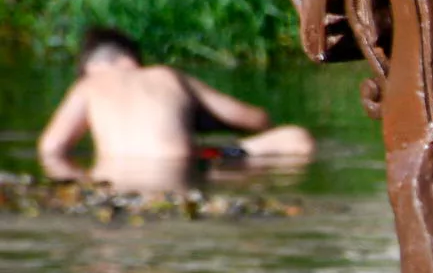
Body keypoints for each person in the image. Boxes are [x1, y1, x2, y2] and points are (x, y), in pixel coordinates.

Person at [38, 28, 317, 186]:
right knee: (296, 138)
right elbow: (255, 118)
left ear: (91, 66)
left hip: (113, 180)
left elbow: (51, 149)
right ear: (133, 59)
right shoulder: (167, 76)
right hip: (186, 169)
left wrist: (85, 180)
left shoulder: (88, 86)